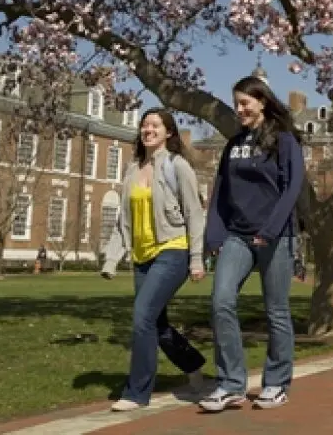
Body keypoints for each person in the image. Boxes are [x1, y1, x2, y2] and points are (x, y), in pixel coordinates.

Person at [200, 76, 305, 413]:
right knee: (221, 302)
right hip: (237, 236)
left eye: (245, 103)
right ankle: (231, 384)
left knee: (276, 311)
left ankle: (276, 384)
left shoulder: (284, 141)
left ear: (262, 101)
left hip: (276, 236)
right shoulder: (233, 146)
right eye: (237, 103)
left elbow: (292, 189)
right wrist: (213, 235)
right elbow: (220, 193)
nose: (240, 109)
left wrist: (272, 229)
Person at [101, 108, 207, 412]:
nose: (148, 129)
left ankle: (136, 393)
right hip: (143, 255)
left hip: (173, 250)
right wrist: (111, 259)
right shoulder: (132, 169)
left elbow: (194, 215)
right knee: (156, 323)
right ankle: (192, 364)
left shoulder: (178, 166)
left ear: (168, 132)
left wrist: (196, 259)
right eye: (145, 125)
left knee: (142, 316)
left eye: (155, 125)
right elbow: (125, 221)